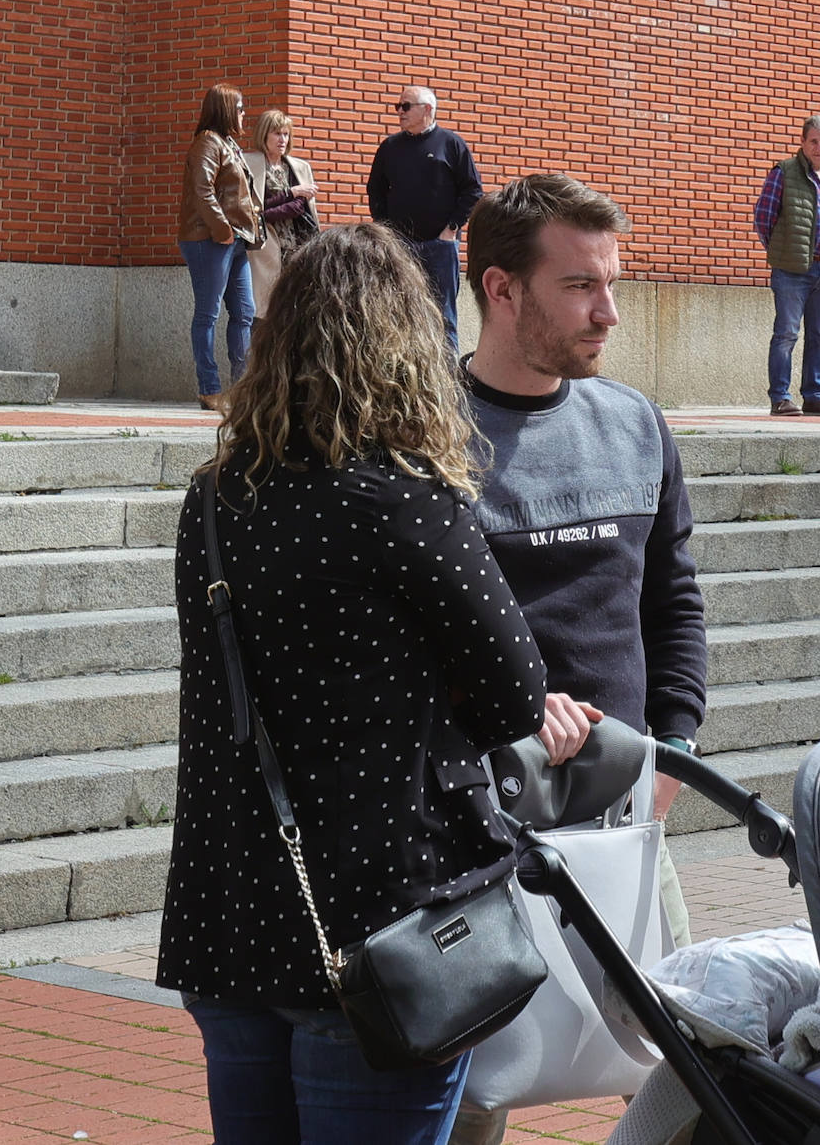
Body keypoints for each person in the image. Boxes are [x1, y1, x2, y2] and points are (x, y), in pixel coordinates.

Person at [156, 223, 548, 1143]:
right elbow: (516, 694)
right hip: (374, 920)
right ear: (405, 349)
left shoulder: (214, 498)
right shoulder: (405, 497)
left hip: (233, 910)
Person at [453, 173, 708, 1145]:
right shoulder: (425, 434)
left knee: (688, 1060)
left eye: (613, 282)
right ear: (502, 288)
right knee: (476, 1089)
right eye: (578, 286)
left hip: (624, 811)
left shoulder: (635, 423)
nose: (608, 310)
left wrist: (673, 746)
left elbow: (672, 599)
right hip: (472, 829)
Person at [366, 85, 483, 352]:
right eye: (398, 106)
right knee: (399, 311)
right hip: (399, 247)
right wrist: (385, 230)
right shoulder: (390, 147)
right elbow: (375, 190)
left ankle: (449, 382)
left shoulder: (451, 144)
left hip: (440, 246)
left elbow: (473, 190)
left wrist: (451, 229)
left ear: (427, 109)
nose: (400, 112)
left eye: (406, 106)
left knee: (444, 318)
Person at [754, 114, 820, 416]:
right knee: (786, 334)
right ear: (803, 142)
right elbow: (763, 217)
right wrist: (782, 251)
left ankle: (814, 396)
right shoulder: (785, 172)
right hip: (793, 270)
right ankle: (780, 397)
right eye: (813, 142)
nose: (819, 148)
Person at [177, 82, 263, 411]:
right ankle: (209, 389)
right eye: (240, 109)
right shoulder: (207, 144)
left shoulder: (228, 144)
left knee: (244, 313)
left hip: (236, 239)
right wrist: (222, 229)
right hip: (209, 239)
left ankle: (241, 389)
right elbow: (202, 191)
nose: (244, 116)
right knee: (207, 314)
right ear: (226, 110)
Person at [243, 109, 320, 319]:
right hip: (265, 247)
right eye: (277, 133)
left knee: (295, 311)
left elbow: (301, 208)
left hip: (296, 248)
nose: (283, 139)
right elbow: (256, 211)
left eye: (286, 134)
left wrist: (287, 203)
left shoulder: (299, 167)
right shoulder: (249, 164)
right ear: (264, 134)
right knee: (264, 311)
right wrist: (292, 193)